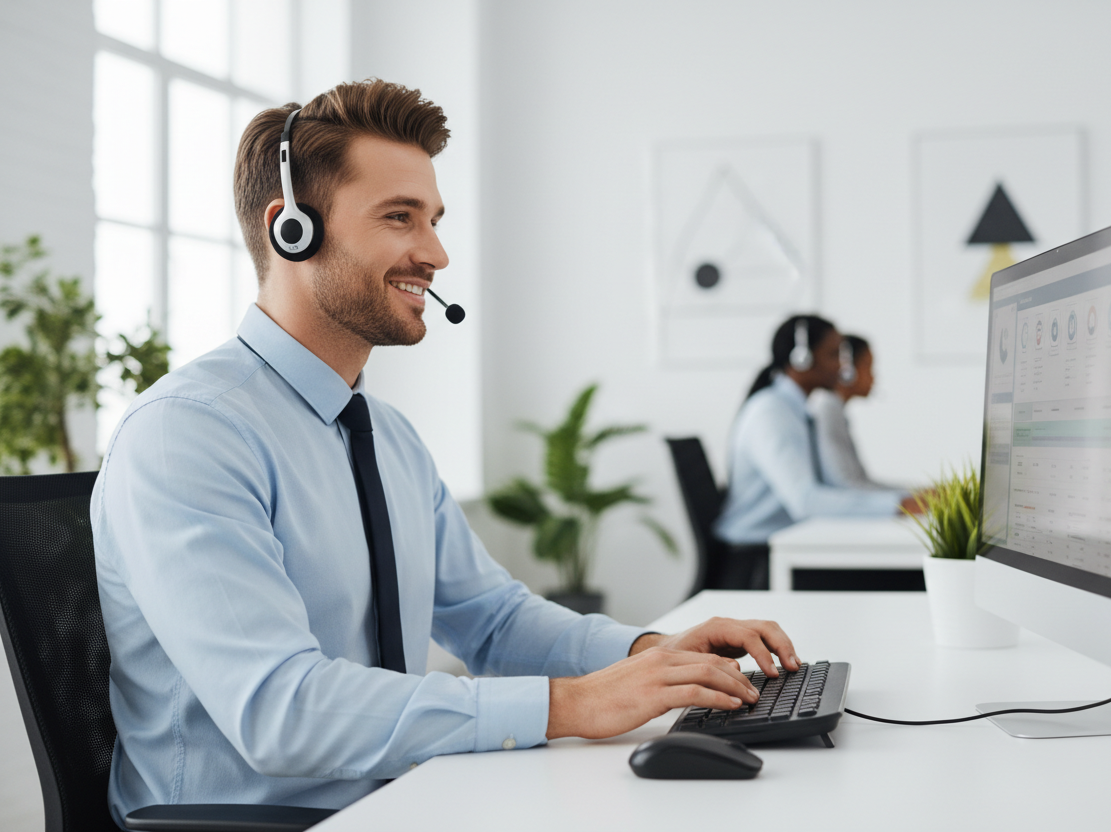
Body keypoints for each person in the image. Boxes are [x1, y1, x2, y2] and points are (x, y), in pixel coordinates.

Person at [91, 80, 800, 822]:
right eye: (400, 218)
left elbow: (491, 621)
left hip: (401, 796)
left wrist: (653, 653)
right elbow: (282, 710)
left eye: (432, 220)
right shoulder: (188, 435)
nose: (435, 253)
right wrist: (571, 705)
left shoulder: (384, 434)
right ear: (292, 228)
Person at [715, 316, 920, 547]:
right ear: (801, 359)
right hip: (752, 557)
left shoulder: (797, 411)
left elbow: (835, 485)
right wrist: (900, 504)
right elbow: (806, 501)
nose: (843, 367)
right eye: (834, 355)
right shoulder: (770, 413)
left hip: (785, 543)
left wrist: (908, 498)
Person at [808, 334, 899, 491]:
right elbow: (846, 484)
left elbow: (860, 481)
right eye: (869, 366)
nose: (874, 376)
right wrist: (919, 497)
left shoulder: (834, 408)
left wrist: (920, 493)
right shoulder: (827, 408)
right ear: (847, 369)